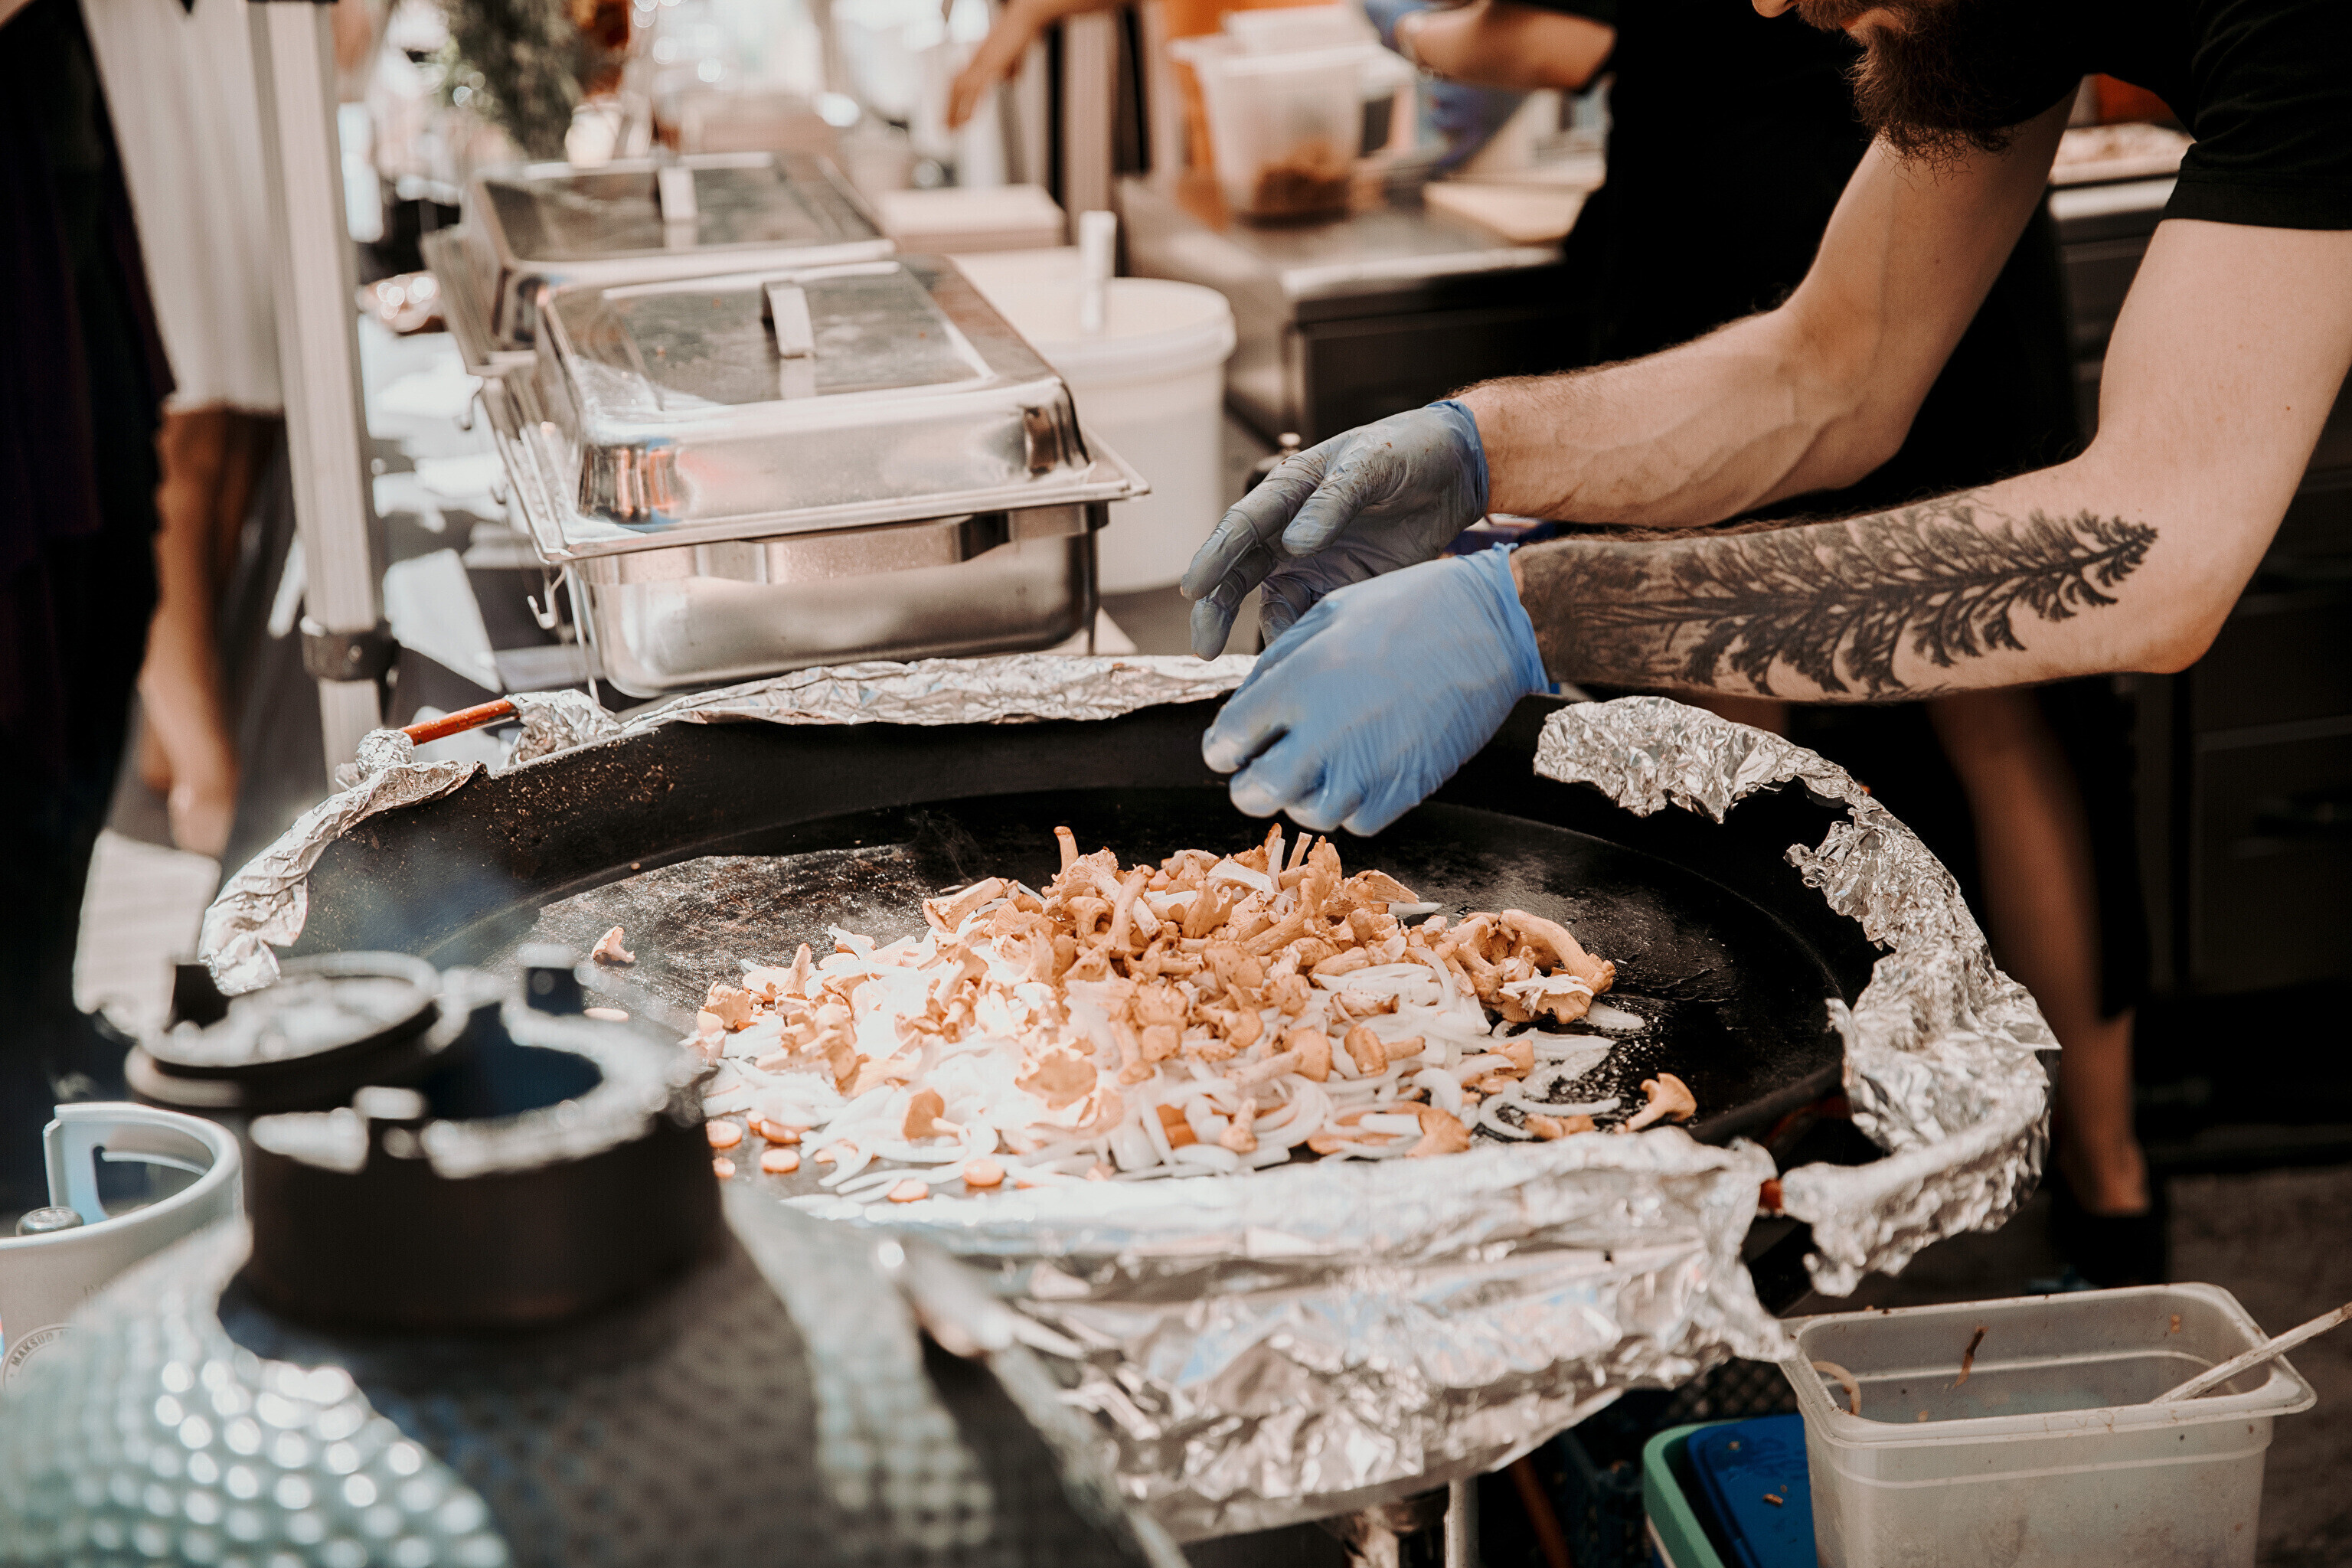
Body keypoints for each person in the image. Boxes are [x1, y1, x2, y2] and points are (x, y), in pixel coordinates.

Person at [1185, 0, 2352, 1266]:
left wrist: (1538, 610)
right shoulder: (1993, 21)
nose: (1759, 5)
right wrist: (1477, 452)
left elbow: (2154, 547)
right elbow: (1836, 367)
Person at [0, 0, 175, 1207]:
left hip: (54, 158)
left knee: (111, 598)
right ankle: (11, 1114)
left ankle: (46, 1023)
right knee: (19, 684)